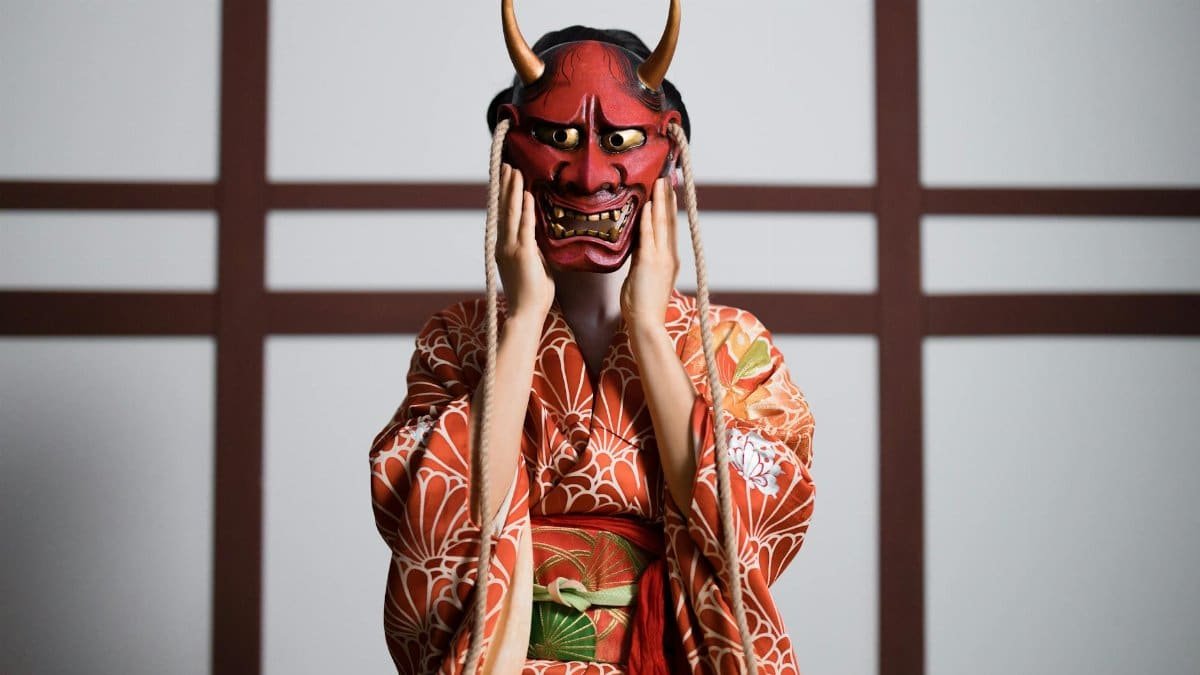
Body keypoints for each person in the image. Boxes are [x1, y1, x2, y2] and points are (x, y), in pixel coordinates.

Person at [369, 2, 815, 673]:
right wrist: (521, 322)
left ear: (670, 161)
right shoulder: (460, 338)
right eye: (559, 137)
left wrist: (649, 330)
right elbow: (443, 523)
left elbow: (742, 528)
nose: (587, 175)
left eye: (623, 142)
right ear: (509, 154)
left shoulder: (732, 344)